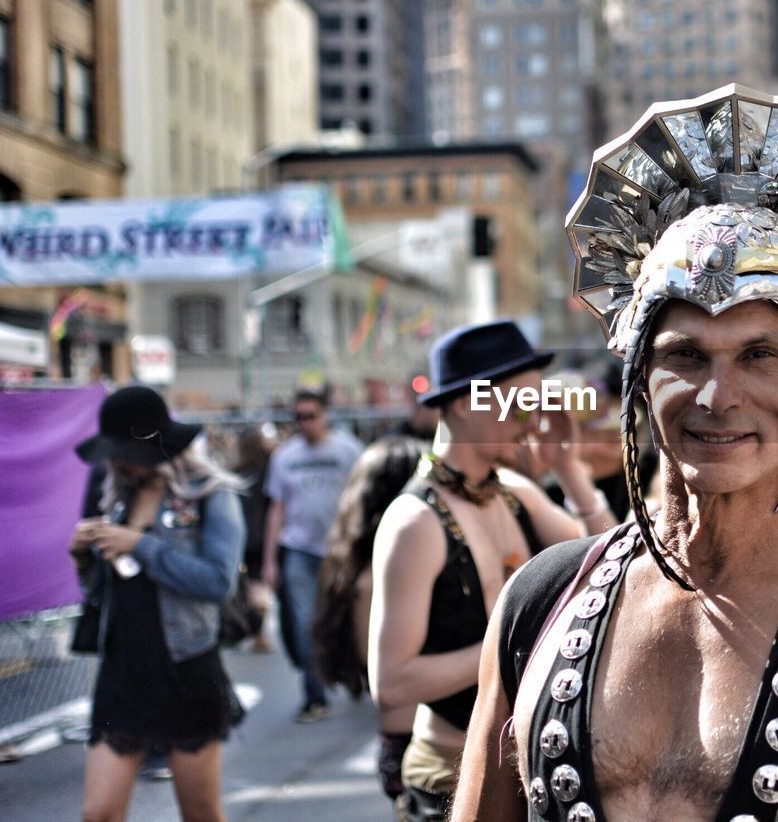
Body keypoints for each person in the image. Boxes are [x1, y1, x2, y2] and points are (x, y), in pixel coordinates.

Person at [454, 85, 778, 821]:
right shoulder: (540, 605)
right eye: (685, 354)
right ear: (641, 375)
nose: (718, 394)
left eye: (760, 354)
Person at [371, 320, 616, 820]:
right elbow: (391, 683)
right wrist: (511, 647)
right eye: (520, 403)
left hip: (525, 765)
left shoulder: (512, 491)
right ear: (466, 402)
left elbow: (614, 564)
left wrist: (567, 469)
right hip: (447, 777)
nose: (533, 421)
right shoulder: (414, 521)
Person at [70, 385, 246, 822]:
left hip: (185, 669)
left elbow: (218, 582)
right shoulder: (115, 492)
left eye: (126, 451)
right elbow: (101, 593)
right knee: (99, 814)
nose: (119, 461)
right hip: (122, 673)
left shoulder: (210, 494)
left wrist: (140, 546)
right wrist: (82, 558)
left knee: (201, 812)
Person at [311, 434, 425, 807]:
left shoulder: (365, 568)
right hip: (413, 744)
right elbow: (383, 675)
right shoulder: (373, 578)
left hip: (408, 741)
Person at [262, 388, 363, 722]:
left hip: (340, 550)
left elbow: (363, 499)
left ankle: (354, 676)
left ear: (325, 416)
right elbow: (276, 508)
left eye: (310, 416)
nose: (304, 423)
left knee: (347, 619)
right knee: (306, 625)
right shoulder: (285, 456)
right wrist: (270, 560)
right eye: (298, 417)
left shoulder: (347, 450)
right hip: (299, 550)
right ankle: (314, 696)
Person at [234, 426, 275, 653]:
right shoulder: (267, 471)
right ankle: (258, 631)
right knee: (259, 586)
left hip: (243, 536)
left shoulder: (236, 473)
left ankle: (255, 629)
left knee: (249, 585)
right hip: (262, 536)